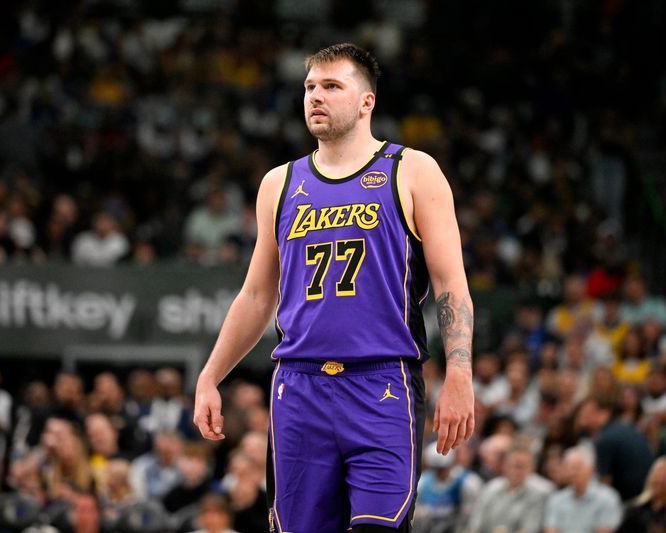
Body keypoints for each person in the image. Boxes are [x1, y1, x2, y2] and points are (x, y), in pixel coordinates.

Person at [193, 42, 475, 533]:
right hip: (299, 387)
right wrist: (209, 375)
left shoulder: (412, 170)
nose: (315, 97)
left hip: (383, 383)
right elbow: (258, 296)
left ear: (366, 102)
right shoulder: (278, 184)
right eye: (309, 88)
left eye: (331, 86)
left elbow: (452, 284)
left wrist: (460, 372)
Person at [467, 444, 550, 533]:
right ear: (505, 466)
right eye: (514, 465)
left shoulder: (541, 493)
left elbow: (529, 529)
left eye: (522, 466)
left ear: (531, 468)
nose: (517, 471)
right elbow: (474, 526)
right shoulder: (491, 488)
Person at [543, 446, 622, 533]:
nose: (572, 472)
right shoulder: (556, 499)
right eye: (569, 467)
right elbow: (550, 530)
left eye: (577, 467)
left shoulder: (608, 498)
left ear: (591, 469)